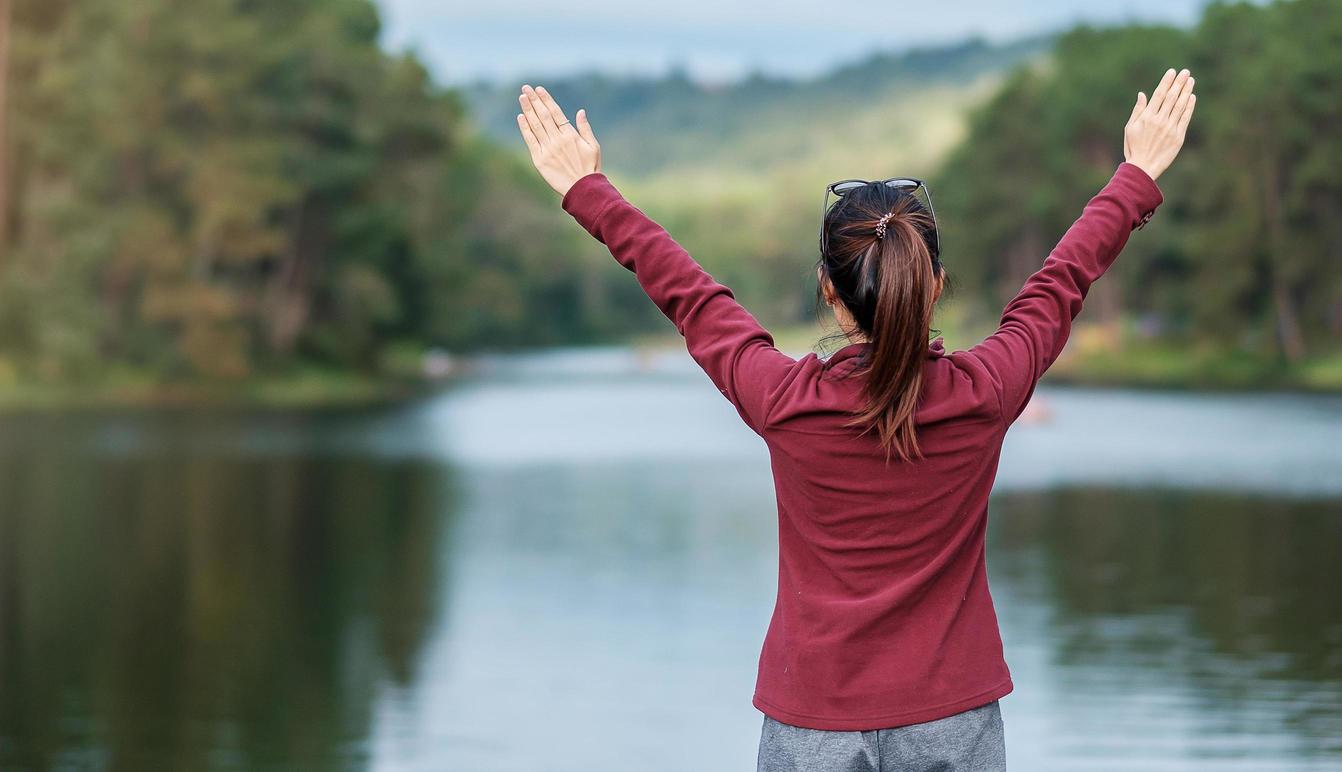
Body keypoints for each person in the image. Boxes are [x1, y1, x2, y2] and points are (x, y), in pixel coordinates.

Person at [513, 68, 1197, 772]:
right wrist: (1135, 175)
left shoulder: (785, 403)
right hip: (951, 720)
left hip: (813, 726)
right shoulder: (985, 394)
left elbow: (691, 295)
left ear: (827, 292)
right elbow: (1060, 284)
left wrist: (586, 190)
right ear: (934, 285)